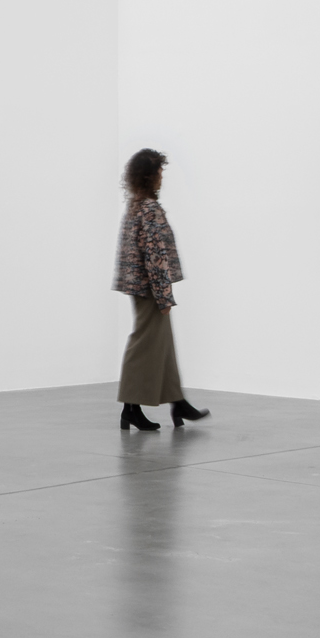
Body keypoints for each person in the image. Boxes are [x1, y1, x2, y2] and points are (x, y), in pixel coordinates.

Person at [113, 148, 211, 431]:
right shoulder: (149, 209)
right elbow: (154, 256)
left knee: (162, 344)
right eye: (159, 172)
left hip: (140, 287)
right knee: (144, 345)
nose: (161, 177)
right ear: (149, 175)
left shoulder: (136, 206)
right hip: (149, 290)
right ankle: (130, 409)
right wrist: (164, 295)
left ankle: (177, 402)